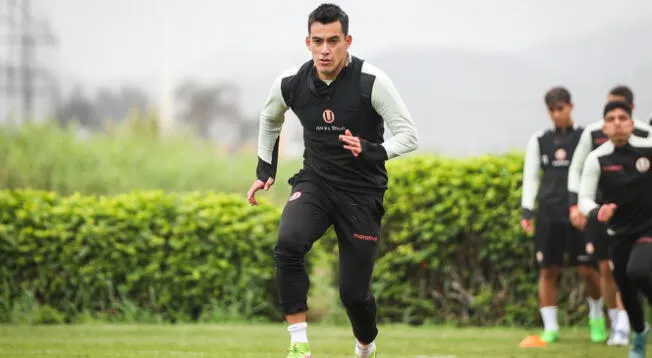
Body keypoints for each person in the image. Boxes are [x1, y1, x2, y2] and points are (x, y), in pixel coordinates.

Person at [247, 3, 418, 358]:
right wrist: (266, 171)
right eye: (318, 41)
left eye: (333, 41)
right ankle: (298, 342)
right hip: (316, 182)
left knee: (354, 295)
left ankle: (366, 343)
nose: (325, 49)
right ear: (308, 42)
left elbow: (409, 136)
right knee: (288, 244)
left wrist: (372, 150)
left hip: (362, 192)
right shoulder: (291, 83)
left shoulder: (372, 81)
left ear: (347, 41)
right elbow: (269, 118)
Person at [520, 86, 604, 344]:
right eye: (552, 110)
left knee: (588, 270)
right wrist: (527, 209)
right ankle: (551, 328)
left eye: (561, 108)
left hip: (579, 213)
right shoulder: (540, 140)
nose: (557, 114)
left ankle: (597, 320)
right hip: (549, 213)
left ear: (570, 106)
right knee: (548, 270)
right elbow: (531, 176)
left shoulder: (585, 136)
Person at [578, 100, 652, 358]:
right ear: (605, 127)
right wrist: (598, 211)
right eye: (611, 119)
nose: (617, 123)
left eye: (623, 118)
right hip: (618, 233)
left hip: (649, 228)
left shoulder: (649, 149)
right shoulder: (597, 158)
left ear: (632, 124)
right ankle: (640, 334)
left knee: (639, 271)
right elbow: (584, 199)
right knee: (625, 286)